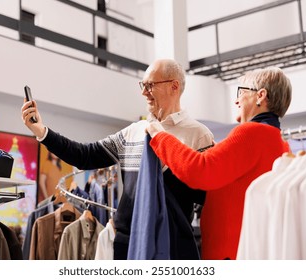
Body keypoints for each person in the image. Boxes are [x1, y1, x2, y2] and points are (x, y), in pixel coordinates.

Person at [21, 58, 214, 259]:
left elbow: (205, 197)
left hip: (172, 245)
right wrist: (42, 131)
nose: (144, 92)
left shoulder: (199, 135)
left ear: (174, 86)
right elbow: (85, 156)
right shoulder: (133, 133)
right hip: (126, 244)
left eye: (150, 85)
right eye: (143, 85)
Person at [146, 66, 292, 260]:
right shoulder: (281, 144)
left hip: (230, 254)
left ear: (260, 96)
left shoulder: (251, 133)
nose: (236, 100)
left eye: (241, 92)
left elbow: (200, 170)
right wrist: (217, 152)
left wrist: (160, 136)